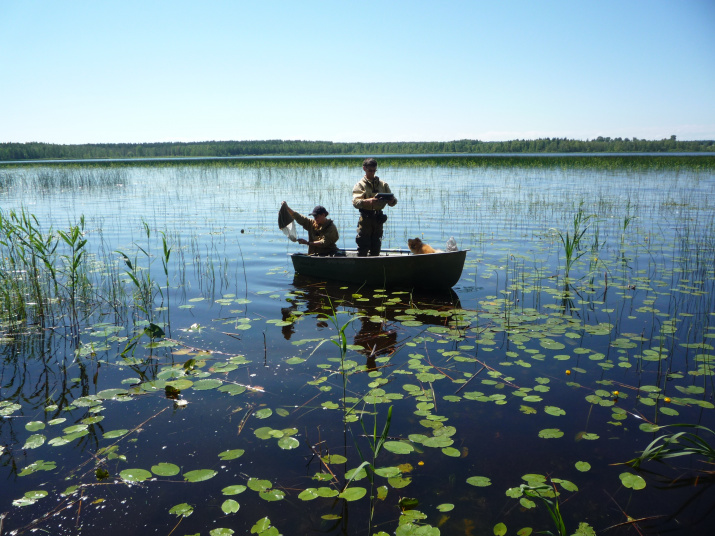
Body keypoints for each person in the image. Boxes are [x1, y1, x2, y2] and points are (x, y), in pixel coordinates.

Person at [352, 157, 398, 256]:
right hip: (366, 219)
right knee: (363, 246)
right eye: (370, 170)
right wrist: (368, 201)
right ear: (364, 168)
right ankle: (362, 267)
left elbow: (393, 202)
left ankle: (374, 267)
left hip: (378, 219)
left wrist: (392, 200)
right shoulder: (359, 185)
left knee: (376, 245)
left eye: (374, 170)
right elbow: (356, 202)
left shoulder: (383, 184)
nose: (372, 173)